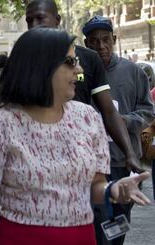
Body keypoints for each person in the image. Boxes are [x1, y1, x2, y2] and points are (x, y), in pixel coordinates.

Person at [0, 27, 151, 245]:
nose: (79, 69)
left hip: (81, 238)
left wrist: (114, 189)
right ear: (41, 67)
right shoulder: (0, 126)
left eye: (77, 61)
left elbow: (95, 186)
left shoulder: (88, 118)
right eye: (70, 62)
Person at [25, 0, 143, 173]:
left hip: (78, 155)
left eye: (40, 18)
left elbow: (109, 112)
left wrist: (129, 153)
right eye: (29, 20)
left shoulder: (89, 59)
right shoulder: (22, 60)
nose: (34, 25)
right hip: (35, 156)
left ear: (57, 20)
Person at [83, 16, 155, 245]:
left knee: (118, 222)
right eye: (94, 41)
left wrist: (123, 121)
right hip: (92, 164)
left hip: (123, 162)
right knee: (96, 221)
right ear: (87, 44)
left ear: (114, 39)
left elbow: (147, 111)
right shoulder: (80, 74)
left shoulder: (133, 72)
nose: (101, 46)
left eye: (106, 40)